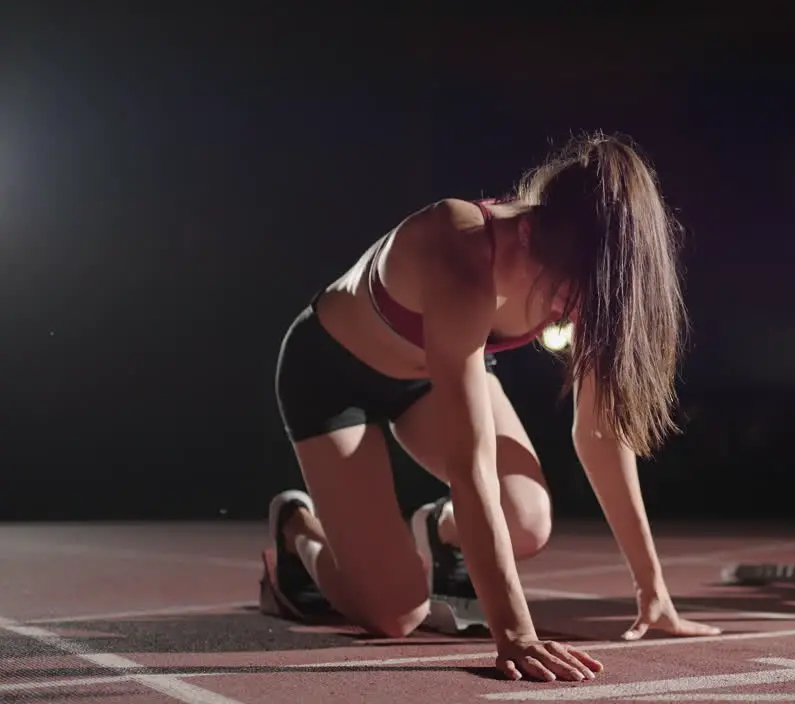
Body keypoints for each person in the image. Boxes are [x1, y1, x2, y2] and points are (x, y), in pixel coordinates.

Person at [268, 132, 720, 683]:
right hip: (333, 374)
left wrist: (653, 591)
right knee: (395, 613)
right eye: (558, 295)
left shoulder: (591, 272)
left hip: (429, 379)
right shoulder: (458, 247)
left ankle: (440, 533)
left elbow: (601, 435)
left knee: (528, 520)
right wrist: (515, 633)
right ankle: (296, 534)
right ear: (527, 229)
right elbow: (469, 466)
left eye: (575, 303)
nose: (562, 315)